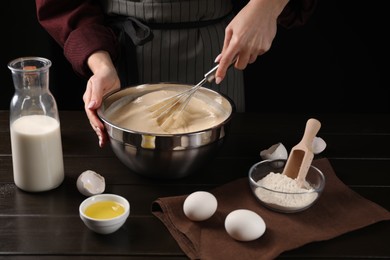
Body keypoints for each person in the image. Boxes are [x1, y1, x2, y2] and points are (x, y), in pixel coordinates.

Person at [35, 0, 317, 147]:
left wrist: (267, 6)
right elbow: (64, 4)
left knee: (222, 172)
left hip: (217, 49)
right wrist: (101, 65)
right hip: (121, 59)